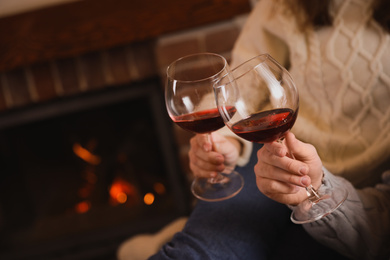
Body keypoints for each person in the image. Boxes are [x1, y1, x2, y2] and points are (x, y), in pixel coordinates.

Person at [118, 0, 390, 259]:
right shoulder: (285, 5)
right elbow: (241, 83)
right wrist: (227, 143)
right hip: (272, 155)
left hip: (360, 190)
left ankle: (178, 232)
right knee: (199, 252)